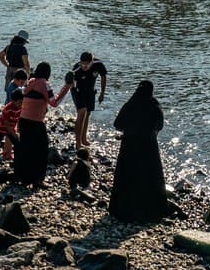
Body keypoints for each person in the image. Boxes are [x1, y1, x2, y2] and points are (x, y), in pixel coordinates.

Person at [109, 80, 168, 222]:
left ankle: (123, 210)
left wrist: (130, 129)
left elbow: (117, 124)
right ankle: (150, 211)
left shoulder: (130, 104)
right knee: (149, 176)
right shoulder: (154, 105)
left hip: (129, 145)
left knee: (127, 176)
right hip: (149, 147)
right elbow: (160, 125)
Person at [13, 62, 61, 188]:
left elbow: (21, 91)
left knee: (27, 150)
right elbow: (54, 102)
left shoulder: (30, 82)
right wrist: (66, 87)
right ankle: (38, 179)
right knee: (41, 150)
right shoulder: (45, 84)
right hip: (36, 122)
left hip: (23, 120)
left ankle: (24, 178)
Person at [62, 52, 106, 150]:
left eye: (86, 64)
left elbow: (103, 76)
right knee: (82, 111)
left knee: (88, 113)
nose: (84, 66)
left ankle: (83, 138)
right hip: (77, 89)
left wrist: (102, 93)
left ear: (91, 62)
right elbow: (68, 83)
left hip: (90, 89)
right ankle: (78, 144)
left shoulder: (98, 64)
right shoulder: (76, 69)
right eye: (82, 63)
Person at [0, 31, 30, 96]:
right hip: (20, 73)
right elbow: (26, 63)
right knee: (20, 93)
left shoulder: (8, 47)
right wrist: (28, 74)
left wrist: (6, 65)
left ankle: (7, 105)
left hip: (9, 71)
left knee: (9, 91)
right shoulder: (22, 49)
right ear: (23, 41)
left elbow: (0, 55)